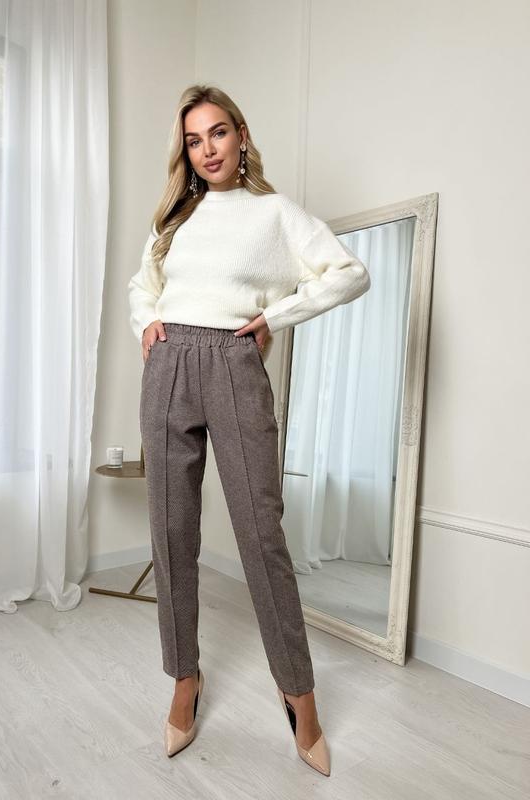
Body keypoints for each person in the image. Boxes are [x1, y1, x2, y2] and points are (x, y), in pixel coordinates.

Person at [127, 84, 371, 776]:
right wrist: (146, 325)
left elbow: (349, 273)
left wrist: (276, 318)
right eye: (193, 140)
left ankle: (299, 694)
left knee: (262, 536)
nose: (207, 150)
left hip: (234, 364)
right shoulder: (175, 219)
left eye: (218, 133)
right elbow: (142, 286)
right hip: (169, 364)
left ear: (240, 136)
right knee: (171, 531)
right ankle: (184, 678)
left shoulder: (274, 214)